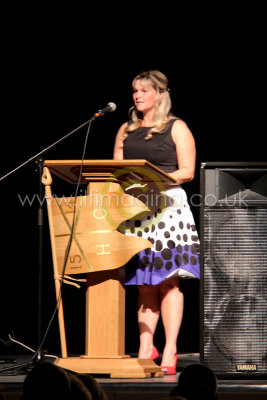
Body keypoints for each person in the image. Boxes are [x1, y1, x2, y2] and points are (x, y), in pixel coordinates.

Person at [113, 70, 200, 374]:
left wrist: (155, 180)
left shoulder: (176, 127)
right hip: (135, 210)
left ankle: (171, 348)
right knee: (143, 283)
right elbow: (116, 170)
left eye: (144, 91)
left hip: (167, 208)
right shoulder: (125, 129)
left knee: (168, 280)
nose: (137, 96)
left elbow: (187, 171)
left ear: (160, 94)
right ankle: (146, 346)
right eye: (135, 91)